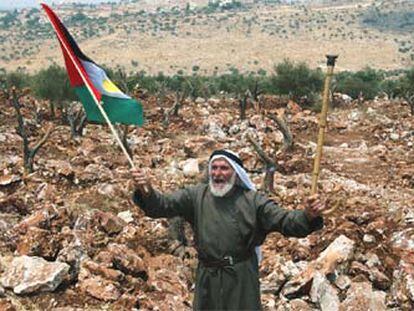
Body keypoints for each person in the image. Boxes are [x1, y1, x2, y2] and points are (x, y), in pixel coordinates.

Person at [131, 149, 325, 310]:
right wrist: (146, 189)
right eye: (214, 168)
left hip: (241, 277)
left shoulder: (253, 201)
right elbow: (163, 205)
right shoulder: (196, 195)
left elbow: (286, 221)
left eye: (224, 168)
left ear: (236, 172)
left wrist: (307, 215)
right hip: (207, 276)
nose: (217, 173)